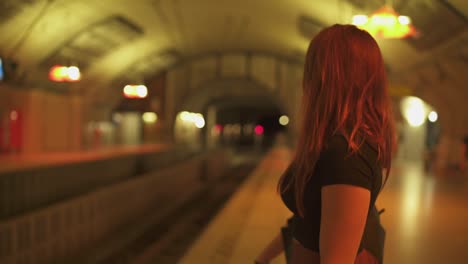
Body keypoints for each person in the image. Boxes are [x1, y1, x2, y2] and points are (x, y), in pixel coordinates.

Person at [255, 24, 396, 264]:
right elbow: (306, 222)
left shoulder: (346, 155)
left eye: (311, 67)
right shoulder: (332, 144)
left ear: (325, 76)